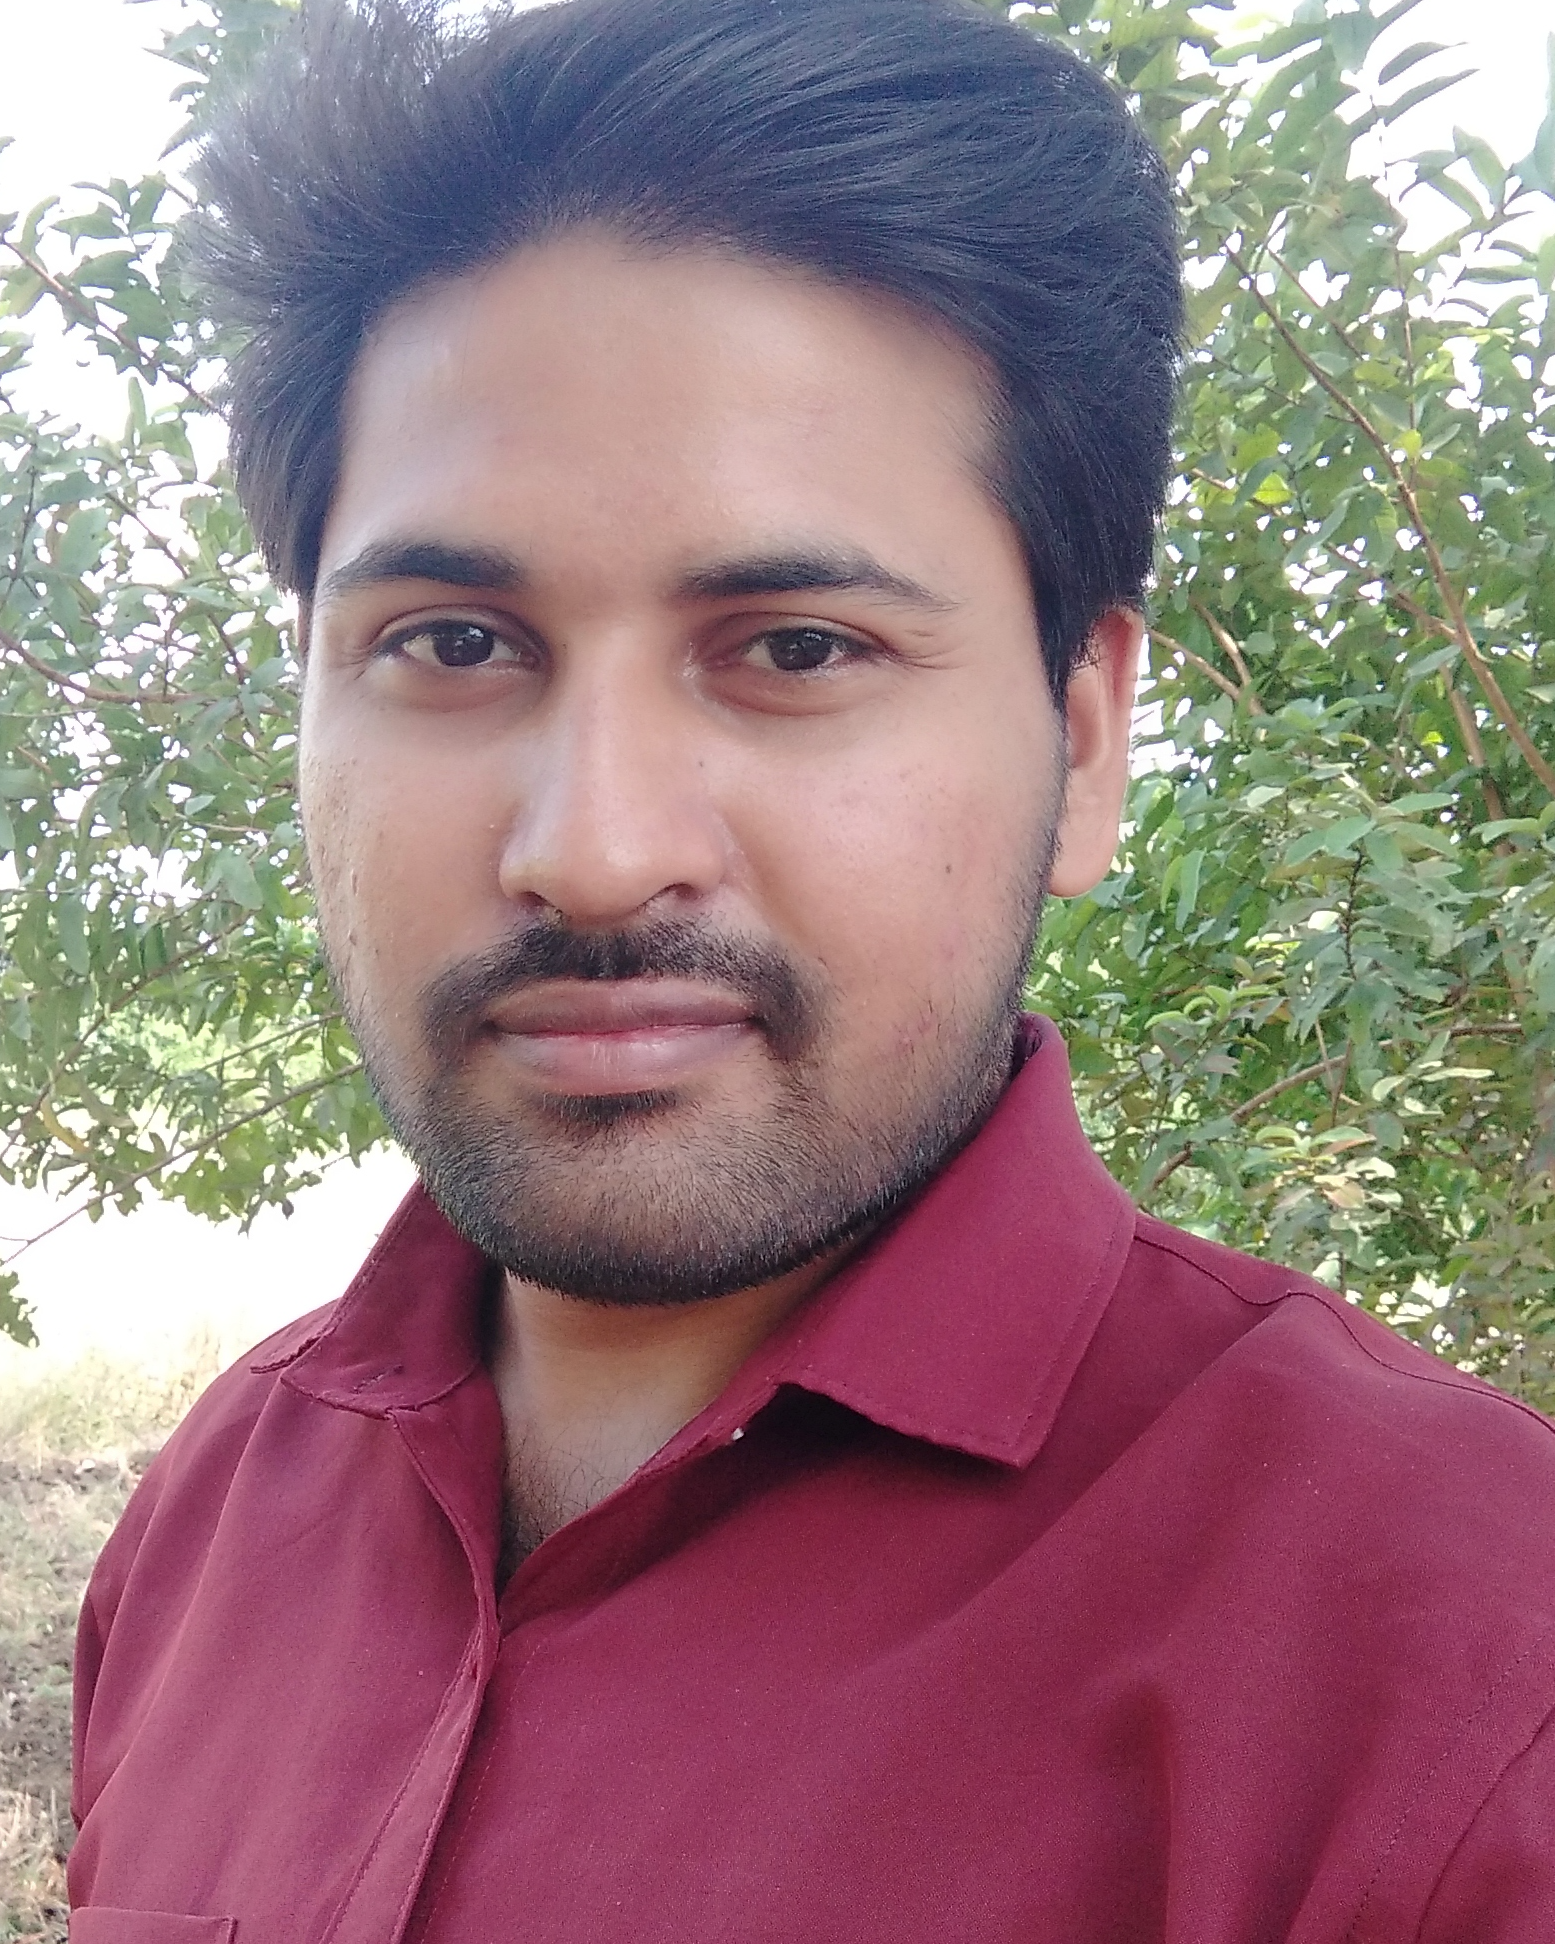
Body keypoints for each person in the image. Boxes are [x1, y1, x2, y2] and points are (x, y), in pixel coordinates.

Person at [67, 0, 1555, 1937]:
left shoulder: (1466, 1676)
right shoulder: (213, 1515)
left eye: (794, 650)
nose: (595, 846)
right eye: (451, 643)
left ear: (1084, 740)